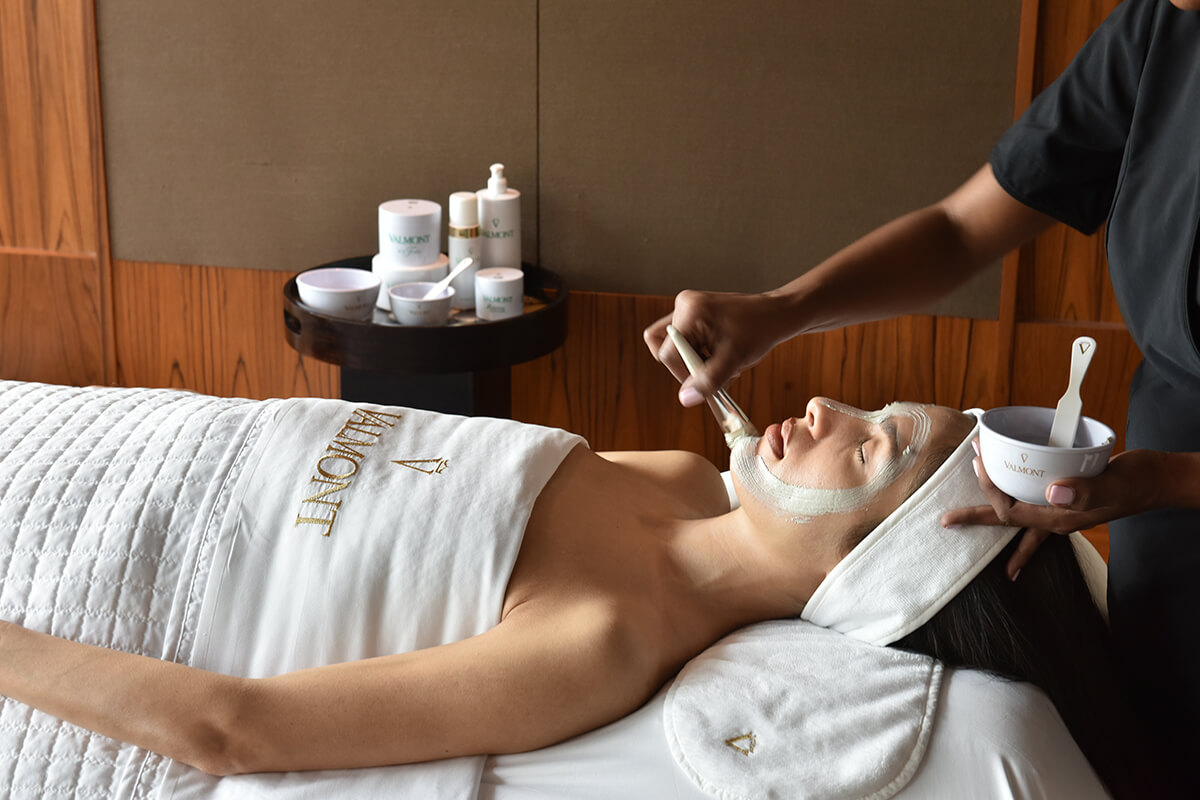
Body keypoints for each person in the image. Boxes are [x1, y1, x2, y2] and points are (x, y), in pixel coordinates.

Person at [0, 389, 1152, 797]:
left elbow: (232, 728)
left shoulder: (606, 641)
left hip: (116, 576)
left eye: (866, 450)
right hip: (169, 447)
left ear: (875, 568)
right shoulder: (681, 471)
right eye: (874, 408)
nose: (833, 410)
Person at [644, 0, 1200, 790]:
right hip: (1166, 536)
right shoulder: (1161, 30)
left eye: (878, 440)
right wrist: (782, 310)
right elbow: (959, 230)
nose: (825, 409)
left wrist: (1166, 480)